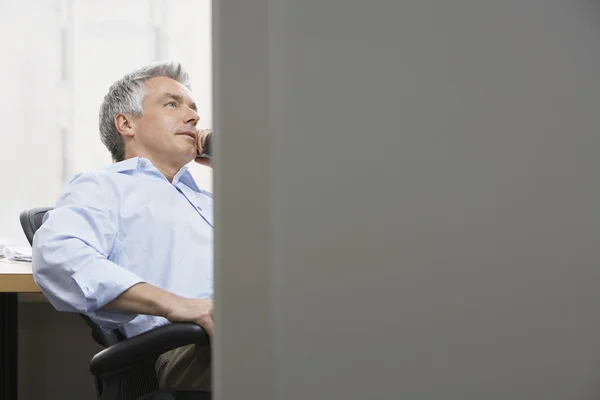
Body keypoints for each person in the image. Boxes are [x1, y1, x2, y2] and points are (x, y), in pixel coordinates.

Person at [32, 61, 214, 389]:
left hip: (258, 330)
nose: (194, 116)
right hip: (196, 348)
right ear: (126, 123)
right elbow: (58, 256)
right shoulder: (103, 187)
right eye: (172, 104)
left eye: (193, 108)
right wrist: (176, 304)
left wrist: (243, 159)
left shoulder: (212, 201)